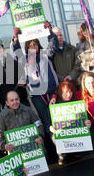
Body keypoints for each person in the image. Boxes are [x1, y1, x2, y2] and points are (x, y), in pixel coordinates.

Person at [10, 22, 59, 158]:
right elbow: (15, 54)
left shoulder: (45, 55)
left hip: (51, 93)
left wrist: (49, 31)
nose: (33, 46)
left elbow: (53, 46)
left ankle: (61, 146)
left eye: (35, 44)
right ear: (27, 47)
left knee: (55, 119)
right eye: (30, 45)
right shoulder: (25, 59)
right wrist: (15, 39)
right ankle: (51, 150)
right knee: (44, 120)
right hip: (37, 96)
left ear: (38, 45)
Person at [0, 38, 27, 128]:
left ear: (3, 48)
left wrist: (23, 81)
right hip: (5, 103)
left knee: (25, 123)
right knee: (12, 127)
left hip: (19, 100)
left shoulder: (13, 63)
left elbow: (23, 77)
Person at [49, 81, 91, 165]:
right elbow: (48, 121)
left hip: (74, 131)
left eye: (70, 92)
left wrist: (87, 122)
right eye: (66, 92)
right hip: (61, 131)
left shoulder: (77, 103)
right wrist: (50, 127)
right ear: (60, 93)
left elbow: (85, 117)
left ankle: (77, 151)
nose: (69, 94)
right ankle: (62, 156)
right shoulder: (54, 105)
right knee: (54, 137)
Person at [0, 90, 44, 156]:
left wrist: (40, 136)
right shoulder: (1, 117)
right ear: (7, 103)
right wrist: (4, 146)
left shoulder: (28, 110)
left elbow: (38, 124)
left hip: (32, 148)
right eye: (12, 100)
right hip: (14, 151)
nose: (15, 102)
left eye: (16, 99)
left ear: (19, 99)